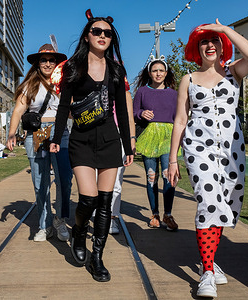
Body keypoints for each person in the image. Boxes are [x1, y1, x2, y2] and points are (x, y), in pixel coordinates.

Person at [168, 19, 248, 298]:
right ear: (197, 48)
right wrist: (173, 160)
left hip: (232, 152)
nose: (209, 45)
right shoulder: (189, 79)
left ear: (222, 46)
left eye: (214, 41)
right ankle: (207, 272)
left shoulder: (234, 73)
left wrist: (224, 30)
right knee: (208, 202)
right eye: (204, 41)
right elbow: (181, 120)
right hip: (199, 149)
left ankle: (211, 262)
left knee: (225, 204)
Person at [50, 9, 133, 282]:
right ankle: (78, 231)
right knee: (88, 198)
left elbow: (121, 109)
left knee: (106, 203)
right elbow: (64, 107)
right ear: (87, 36)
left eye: (107, 33)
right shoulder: (73, 68)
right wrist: (55, 138)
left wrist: (128, 147)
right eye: (97, 32)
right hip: (81, 141)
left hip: (109, 140)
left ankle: (97, 257)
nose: (102, 36)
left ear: (111, 39)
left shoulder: (117, 70)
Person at [6, 43, 73, 243]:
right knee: (40, 183)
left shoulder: (65, 83)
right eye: (43, 60)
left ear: (57, 63)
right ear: (37, 63)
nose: (47, 63)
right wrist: (11, 134)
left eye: (52, 60)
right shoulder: (29, 85)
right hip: (35, 134)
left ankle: (60, 221)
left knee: (64, 180)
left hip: (61, 133)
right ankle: (45, 224)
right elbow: (18, 110)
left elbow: (72, 111)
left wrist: (62, 91)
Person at [133, 56, 179, 231]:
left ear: (166, 73)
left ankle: (168, 215)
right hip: (149, 137)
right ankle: (155, 215)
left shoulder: (174, 94)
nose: (158, 73)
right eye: (154, 70)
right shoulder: (142, 92)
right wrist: (141, 114)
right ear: (149, 73)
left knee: (169, 177)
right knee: (151, 177)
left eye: (161, 70)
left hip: (169, 138)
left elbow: (179, 118)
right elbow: (134, 111)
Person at [109, 89, 137, 235]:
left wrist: (131, 140)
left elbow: (129, 118)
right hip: (97, 134)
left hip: (119, 134)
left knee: (117, 179)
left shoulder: (124, 93)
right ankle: (98, 214)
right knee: (95, 177)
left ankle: (113, 216)